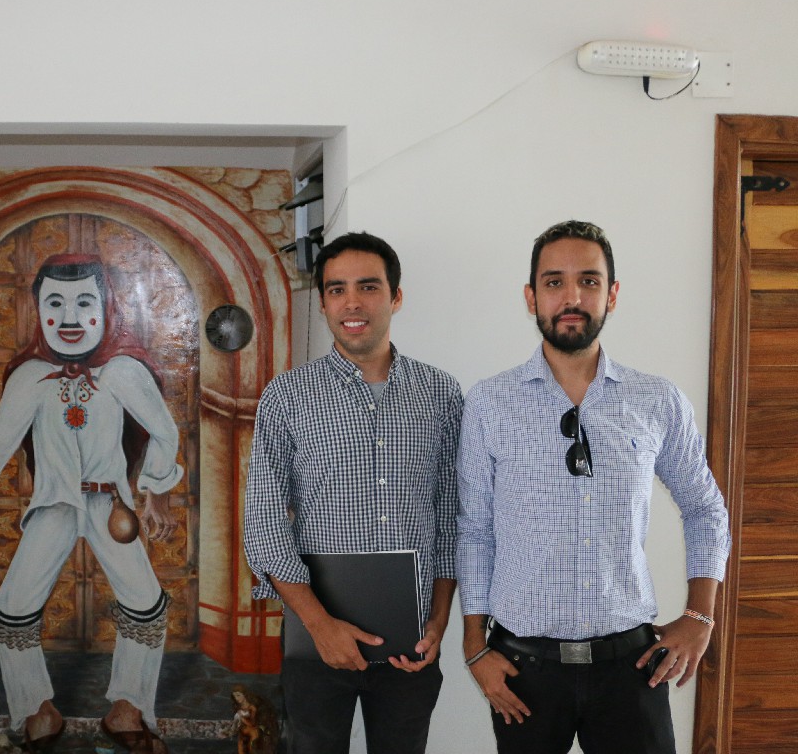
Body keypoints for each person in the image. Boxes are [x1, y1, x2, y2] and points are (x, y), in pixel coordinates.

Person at [456, 220, 732, 754]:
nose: (572, 297)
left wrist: (700, 616)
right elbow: (474, 530)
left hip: (631, 668)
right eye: (554, 282)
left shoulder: (657, 400)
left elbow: (705, 508)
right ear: (531, 296)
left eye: (589, 280)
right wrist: (475, 648)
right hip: (523, 669)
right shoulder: (489, 403)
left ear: (613, 294)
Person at [0, 253, 182, 754]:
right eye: (55, 303)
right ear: (38, 309)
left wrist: (156, 494)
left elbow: (165, 432)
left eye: (84, 303)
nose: (70, 317)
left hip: (110, 507)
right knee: (12, 609)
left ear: (106, 306)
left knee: (145, 605)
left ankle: (128, 707)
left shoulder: (124, 371)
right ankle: (37, 708)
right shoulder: (29, 377)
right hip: (52, 505)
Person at [243, 231, 463, 754]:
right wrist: (320, 625)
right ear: (323, 304)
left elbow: (452, 516)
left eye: (368, 286)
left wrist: (438, 619)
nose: (352, 303)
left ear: (396, 296)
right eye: (337, 290)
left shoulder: (441, 394)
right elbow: (264, 522)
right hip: (315, 639)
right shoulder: (288, 396)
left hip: (411, 643)